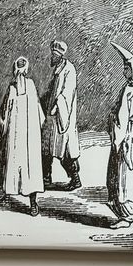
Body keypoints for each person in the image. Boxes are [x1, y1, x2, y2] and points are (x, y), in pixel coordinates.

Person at [106, 42, 133, 229]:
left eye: (126, 68)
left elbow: (123, 117)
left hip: (128, 134)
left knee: (124, 172)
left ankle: (126, 214)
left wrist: (117, 139)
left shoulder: (130, 90)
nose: (124, 72)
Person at [0, 57, 45, 216]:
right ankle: (32, 204)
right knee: (29, 167)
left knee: (12, 162)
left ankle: (8, 195)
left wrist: (2, 128)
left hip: (16, 136)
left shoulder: (12, 88)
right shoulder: (31, 86)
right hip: (29, 138)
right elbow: (40, 114)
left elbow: (4, 114)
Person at [41, 40, 81, 190]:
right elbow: (52, 91)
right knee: (46, 148)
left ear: (59, 56)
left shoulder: (69, 69)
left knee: (65, 150)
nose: (51, 58)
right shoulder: (58, 69)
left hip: (62, 117)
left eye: (53, 55)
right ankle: (46, 178)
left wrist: (57, 106)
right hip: (52, 117)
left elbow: (67, 93)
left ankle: (75, 179)